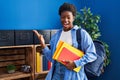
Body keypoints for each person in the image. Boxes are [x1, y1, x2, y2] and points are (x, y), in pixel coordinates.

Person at [33, 2, 97, 80]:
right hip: (56, 75)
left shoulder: (81, 33)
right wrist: (43, 44)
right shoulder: (56, 36)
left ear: (73, 18)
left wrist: (75, 63)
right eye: (63, 17)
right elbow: (52, 58)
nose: (65, 20)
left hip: (73, 76)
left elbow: (92, 54)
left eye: (68, 17)